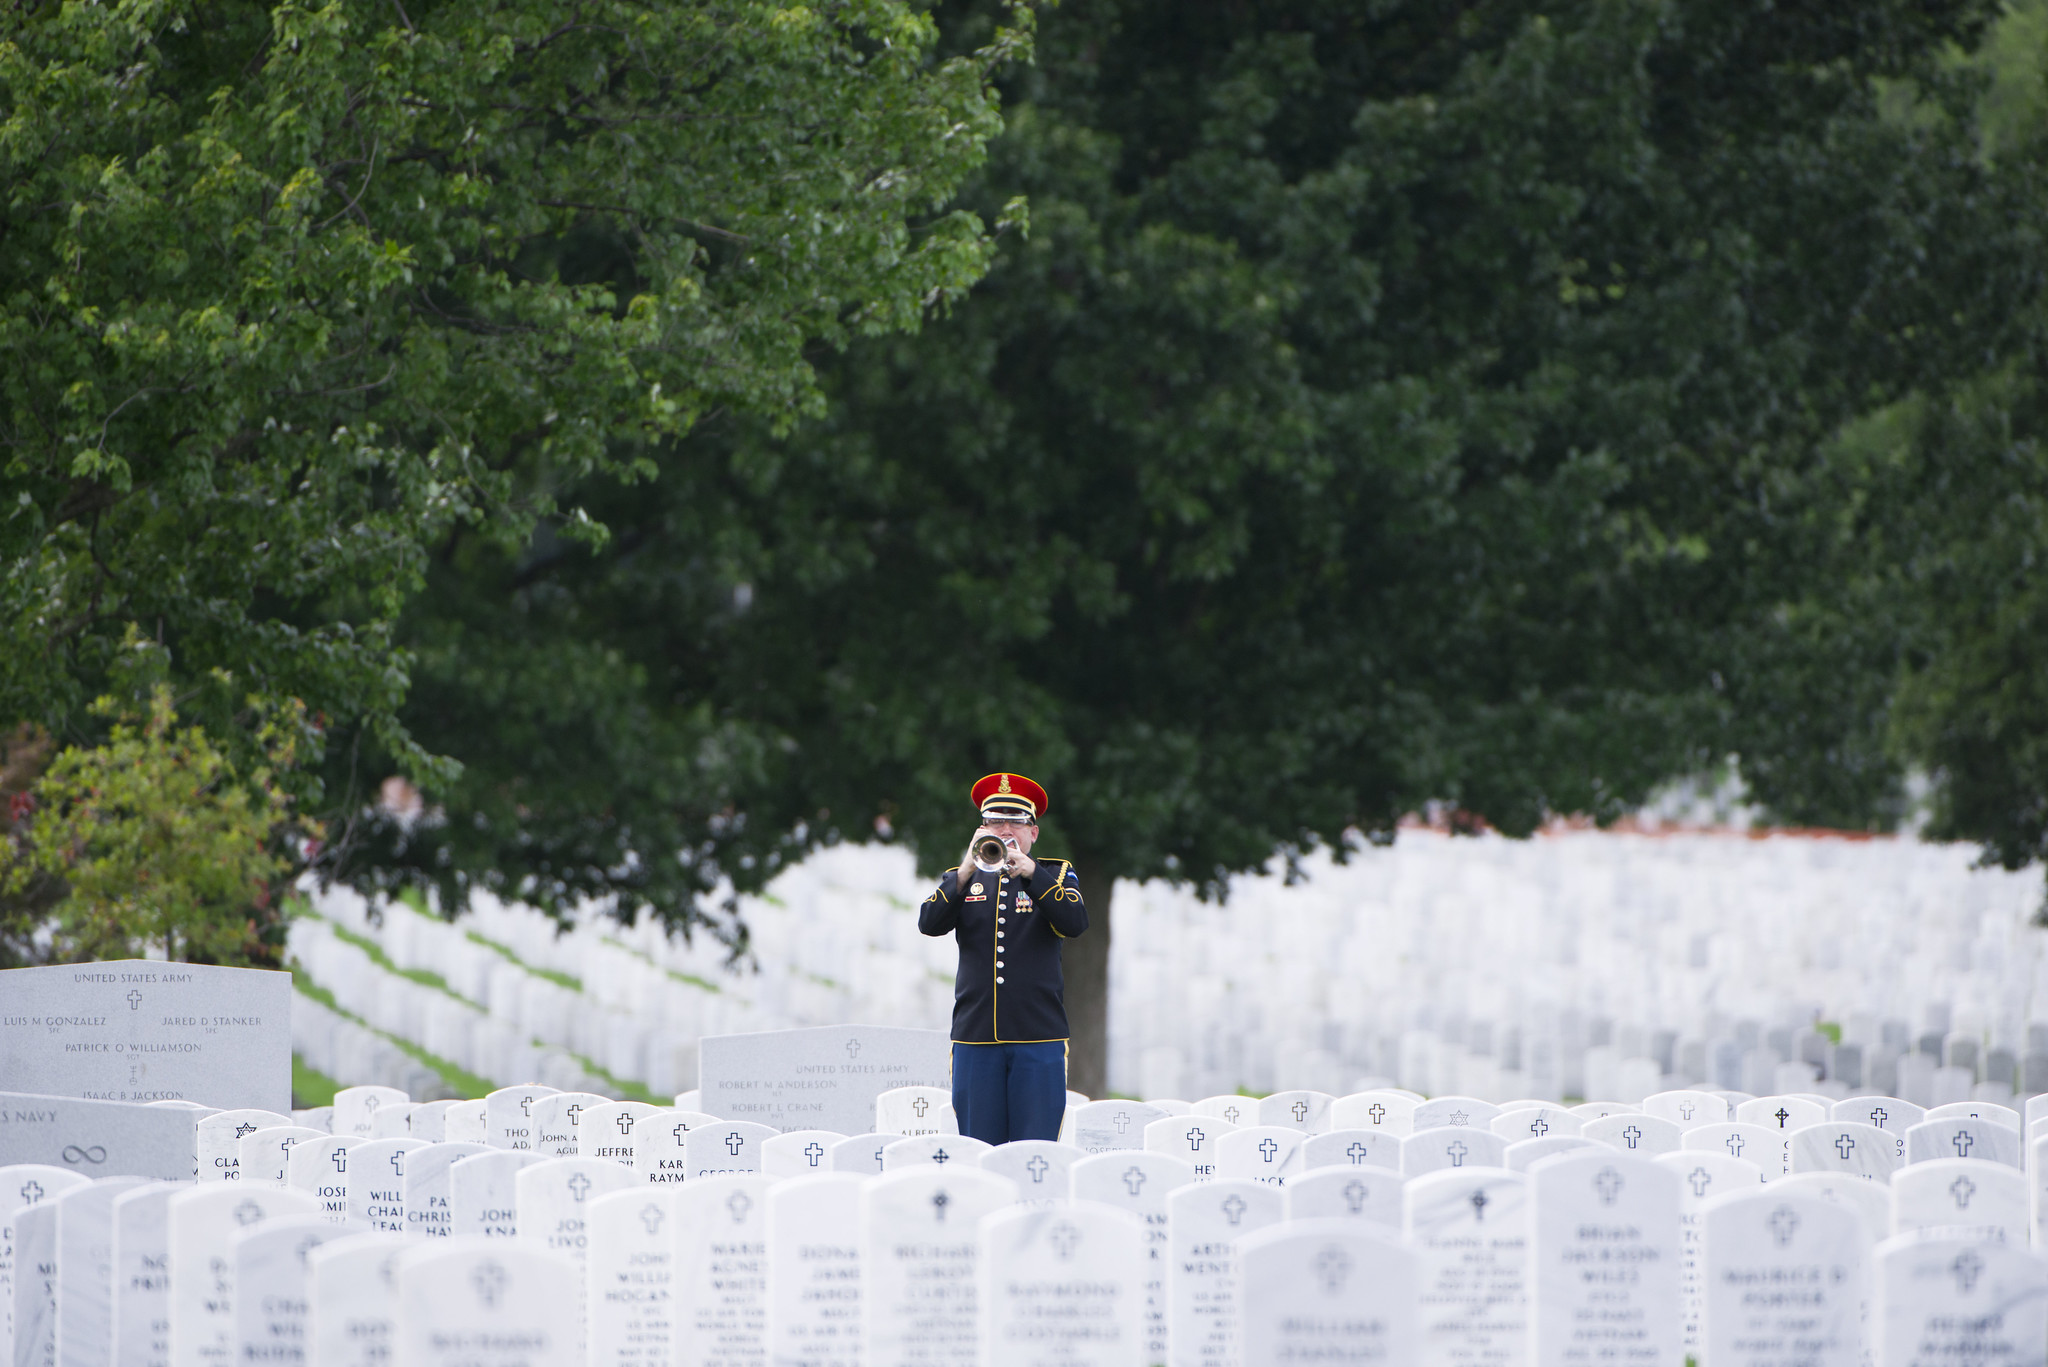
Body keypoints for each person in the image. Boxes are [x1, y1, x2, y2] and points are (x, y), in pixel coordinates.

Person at [917, 771, 1088, 1144]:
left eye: (1016, 822)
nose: (1006, 829)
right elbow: (929, 924)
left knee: (1035, 1151)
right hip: (976, 1039)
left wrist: (1031, 874)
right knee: (979, 1147)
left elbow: (1074, 922)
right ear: (981, 829)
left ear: (1033, 833)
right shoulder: (961, 879)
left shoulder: (1054, 875)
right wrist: (964, 871)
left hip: (1037, 1038)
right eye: (995, 821)